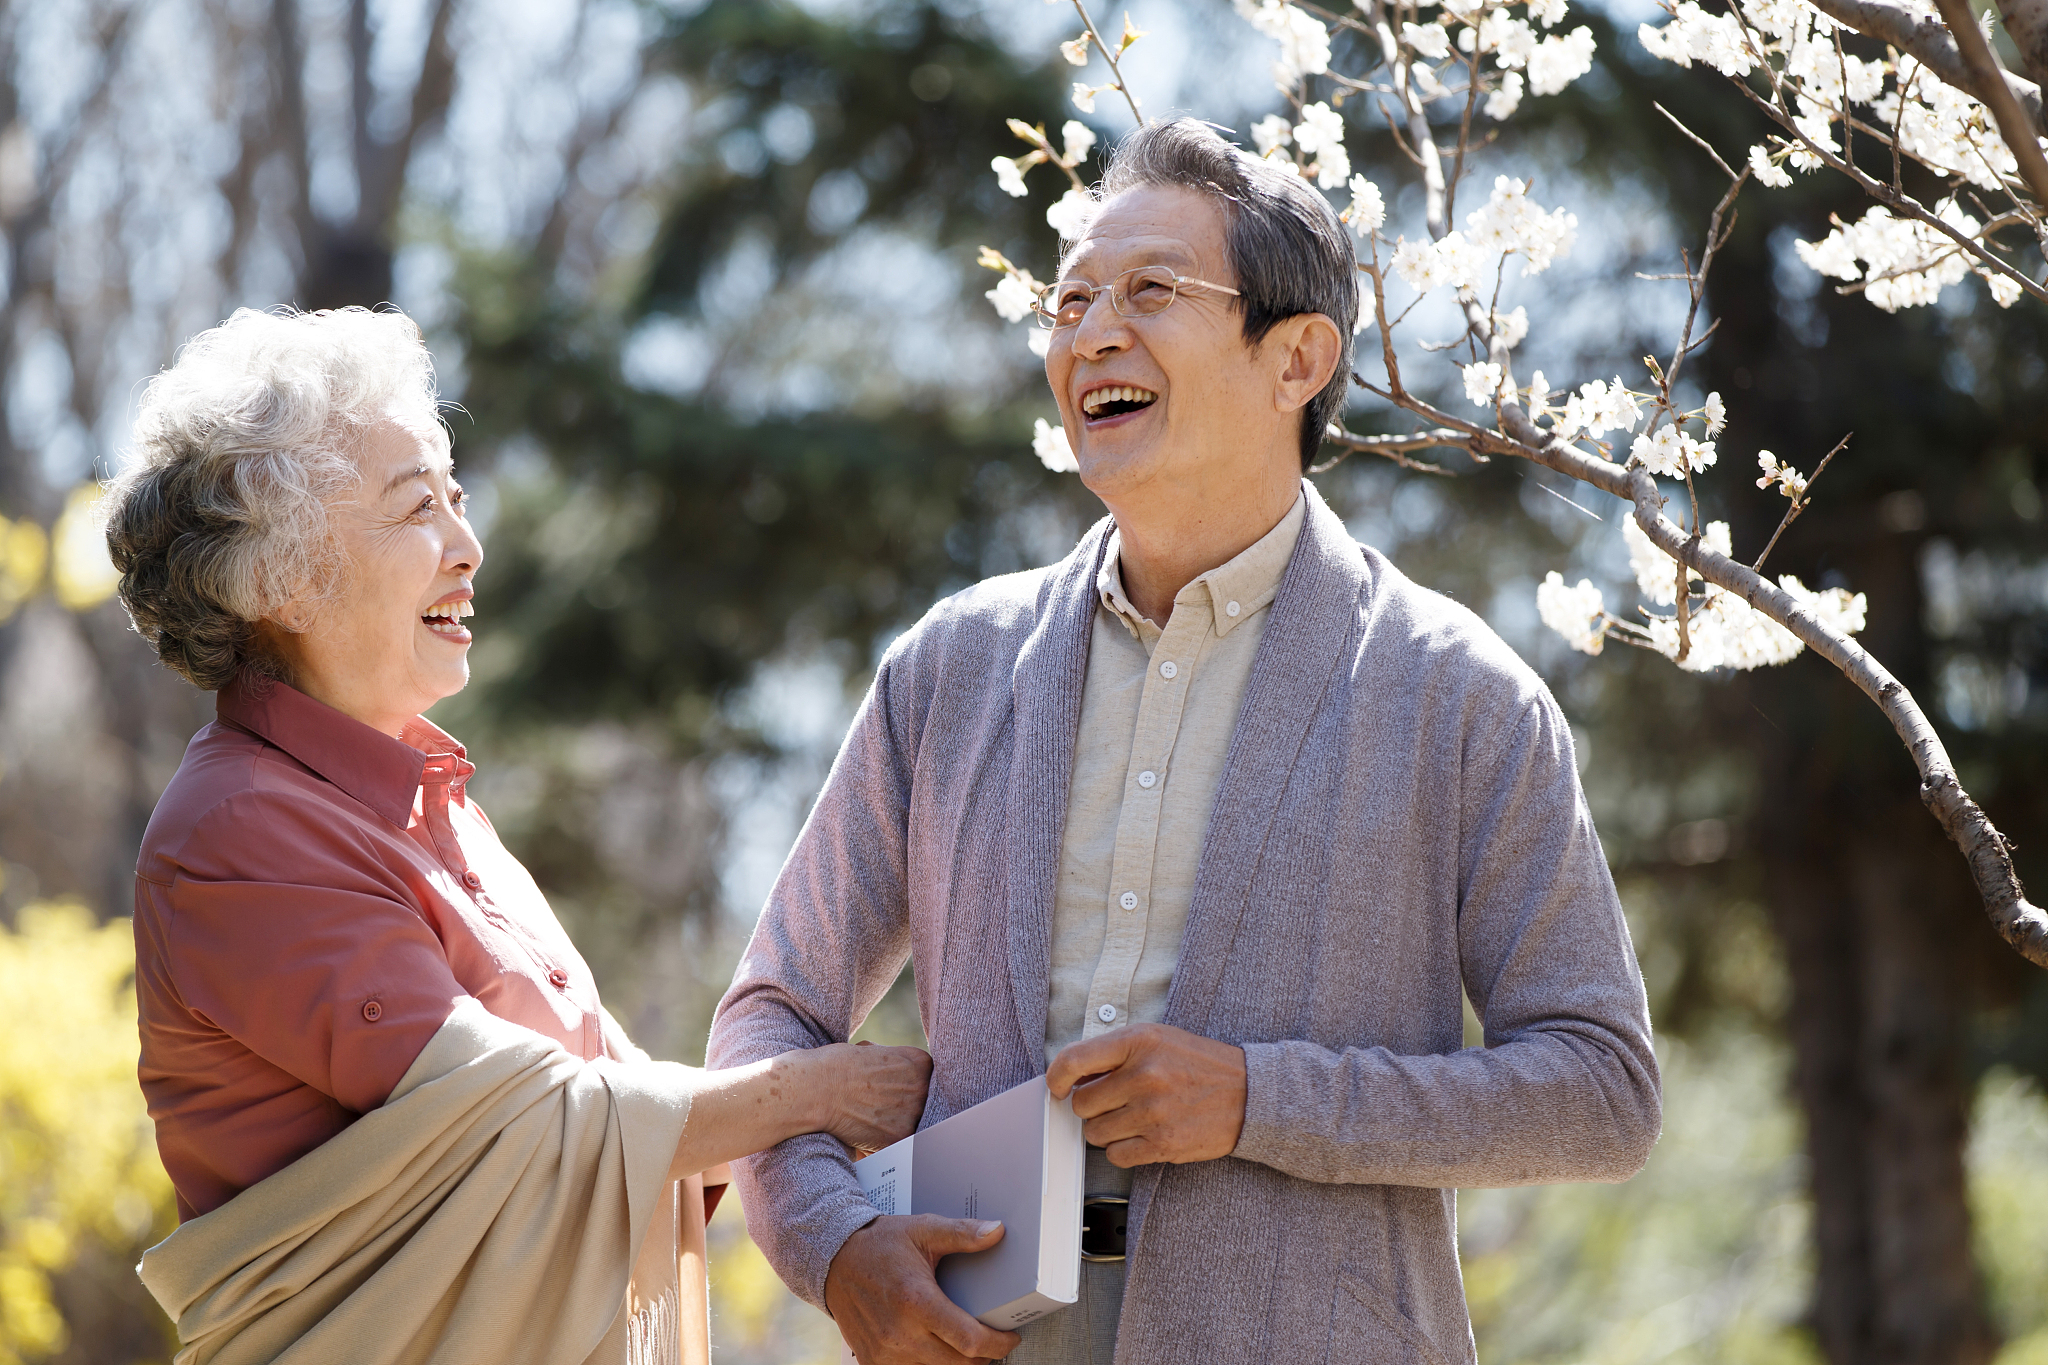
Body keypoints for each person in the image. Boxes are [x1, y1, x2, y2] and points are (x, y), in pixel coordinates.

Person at [706, 119, 1662, 1365]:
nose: (1090, 332)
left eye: (1149, 290)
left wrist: (1263, 1101)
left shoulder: (1456, 695)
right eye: (1071, 299)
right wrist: (833, 1245)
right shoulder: (950, 668)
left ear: (1296, 358)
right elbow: (771, 1013)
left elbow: (1600, 1093)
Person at [106, 305, 933, 1365]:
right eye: (418, 511)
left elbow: (638, 1126)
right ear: (282, 580)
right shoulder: (237, 829)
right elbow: (534, 1125)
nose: (467, 545)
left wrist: (824, 1168)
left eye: (457, 498)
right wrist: (819, 1091)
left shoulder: (440, 810)